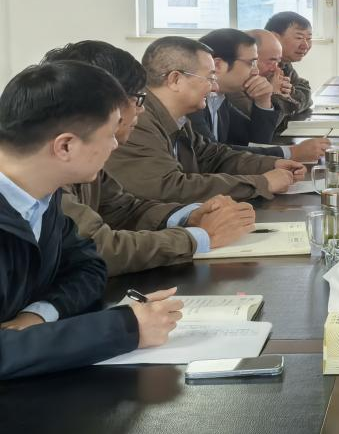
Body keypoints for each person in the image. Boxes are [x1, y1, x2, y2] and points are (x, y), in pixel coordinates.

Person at [0, 61, 182, 379]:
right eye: (109, 134)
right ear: (66, 145)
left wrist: (37, 316)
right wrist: (125, 328)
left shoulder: (41, 196)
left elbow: (88, 267)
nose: (115, 144)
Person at [43, 41, 256, 276]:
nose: (141, 109)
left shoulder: (82, 154)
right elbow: (98, 248)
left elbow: (123, 209)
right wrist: (200, 237)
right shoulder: (46, 167)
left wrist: (190, 216)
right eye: (137, 98)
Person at [105, 37, 304, 203]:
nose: (215, 88)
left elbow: (212, 156)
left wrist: (272, 164)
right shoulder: (138, 121)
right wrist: (261, 183)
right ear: (175, 80)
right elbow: (169, 188)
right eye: (210, 78)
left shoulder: (177, 117)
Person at [192, 29, 329, 162]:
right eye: (251, 63)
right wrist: (291, 153)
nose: (255, 71)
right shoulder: (193, 102)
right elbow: (212, 155)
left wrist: (263, 101)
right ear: (217, 65)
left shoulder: (219, 98)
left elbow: (254, 141)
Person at [267, 12, 314, 122]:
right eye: (299, 37)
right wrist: (277, 96)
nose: (305, 45)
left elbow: (305, 91)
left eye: (309, 38)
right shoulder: (261, 67)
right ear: (275, 37)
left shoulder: (284, 63)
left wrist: (291, 94)